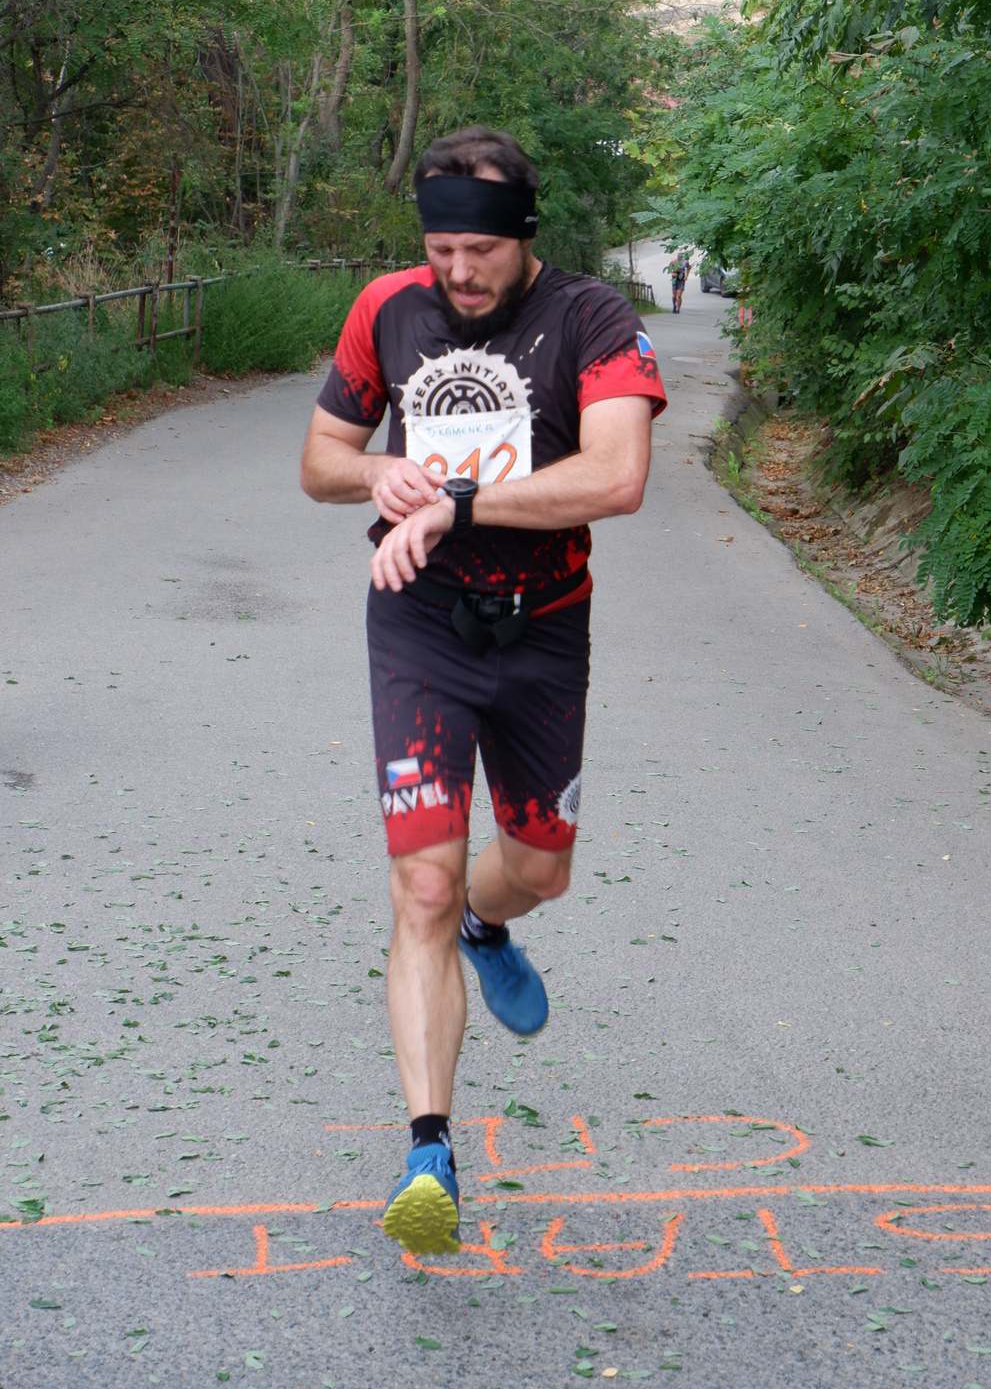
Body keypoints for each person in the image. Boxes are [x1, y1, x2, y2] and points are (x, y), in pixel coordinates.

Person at [299, 126, 666, 1258]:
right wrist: (378, 470)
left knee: (540, 866)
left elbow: (618, 475)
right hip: (419, 621)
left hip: (544, 627)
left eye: (481, 252)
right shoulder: (386, 310)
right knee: (419, 880)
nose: (458, 273)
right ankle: (429, 1154)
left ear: (525, 237)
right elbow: (319, 460)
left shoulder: (593, 319)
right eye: (441, 249)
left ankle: (485, 920)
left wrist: (455, 502)